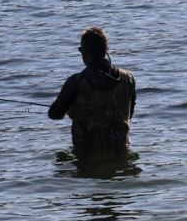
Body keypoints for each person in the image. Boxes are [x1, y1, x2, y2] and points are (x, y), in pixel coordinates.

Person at [49, 27, 137, 157]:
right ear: (106, 50)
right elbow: (130, 114)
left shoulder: (76, 82)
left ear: (84, 52)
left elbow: (54, 114)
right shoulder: (128, 78)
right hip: (120, 149)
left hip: (87, 153)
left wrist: (72, 110)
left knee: (60, 161)